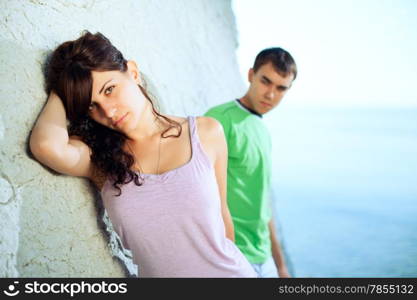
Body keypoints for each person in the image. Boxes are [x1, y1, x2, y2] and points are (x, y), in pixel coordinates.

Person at [29, 31, 257, 278]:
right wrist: (66, 85)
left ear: (133, 72)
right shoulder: (101, 160)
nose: (108, 110)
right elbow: (46, 146)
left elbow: (224, 226)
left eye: (109, 89)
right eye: (91, 105)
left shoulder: (206, 132)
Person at [204, 47, 297, 278]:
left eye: (281, 88)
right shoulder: (218, 119)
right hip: (232, 257)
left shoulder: (262, 131)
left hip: (264, 259)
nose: (271, 95)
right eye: (266, 81)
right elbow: (195, 191)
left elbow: (262, 204)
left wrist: (281, 265)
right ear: (250, 75)